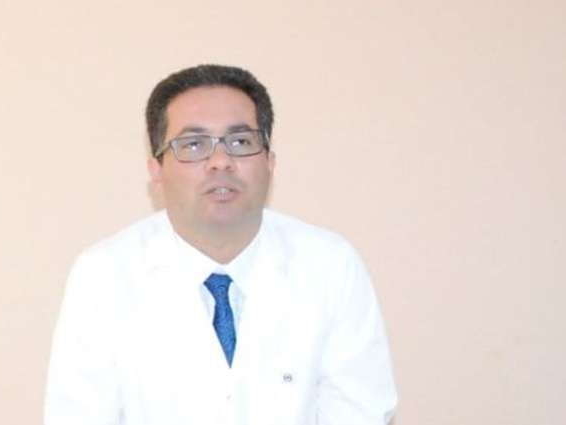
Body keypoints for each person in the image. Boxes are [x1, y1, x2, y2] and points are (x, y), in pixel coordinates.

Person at [44, 64, 398, 425]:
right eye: (193, 145)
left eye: (240, 142)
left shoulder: (330, 266)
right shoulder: (103, 275)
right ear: (156, 169)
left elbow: (361, 411)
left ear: (270, 161)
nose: (220, 162)